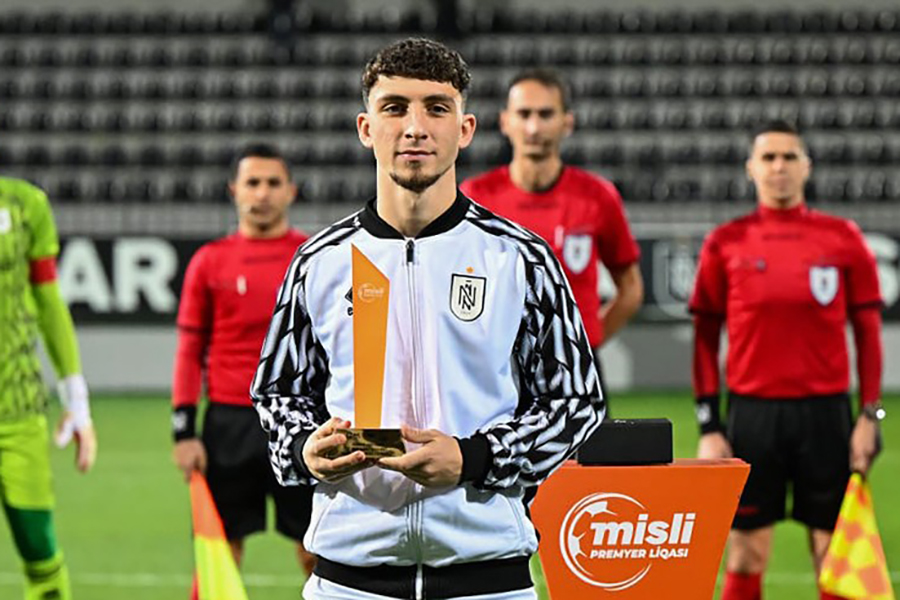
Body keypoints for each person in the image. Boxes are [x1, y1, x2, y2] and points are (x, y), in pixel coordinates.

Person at [251, 38, 604, 600]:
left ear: (464, 130)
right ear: (366, 128)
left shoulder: (520, 258)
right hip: (349, 579)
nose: (415, 128)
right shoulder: (319, 261)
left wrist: (475, 458)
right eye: (395, 108)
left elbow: (576, 402)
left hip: (488, 578)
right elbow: (278, 395)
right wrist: (302, 450)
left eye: (436, 108)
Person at [690, 120, 884, 600]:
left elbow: (868, 332)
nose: (779, 167)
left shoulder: (841, 237)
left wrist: (869, 414)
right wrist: (709, 424)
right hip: (753, 416)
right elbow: (705, 336)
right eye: (769, 157)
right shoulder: (726, 241)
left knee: (834, 554)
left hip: (827, 416)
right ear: (751, 168)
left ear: (806, 167)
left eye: (789, 157)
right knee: (745, 554)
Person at [170, 144, 314, 594]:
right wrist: (183, 430)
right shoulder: (210, 261)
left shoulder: (312, 256)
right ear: (234, 190)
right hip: (229, 424)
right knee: (220, 550)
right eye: (253, 183)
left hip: (299, 418)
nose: (263, 193)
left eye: (273, 183)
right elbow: (190, 349)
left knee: (318, 548)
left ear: (291, 191)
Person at [461, 68, 643, 396]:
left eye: (545, 114)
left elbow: (630, 288)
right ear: (505, 121)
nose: (534, 127)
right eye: (524, 114)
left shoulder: (597, 196)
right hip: (497, 370)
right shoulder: (475, 197)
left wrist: (585, 340)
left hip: (576, 370)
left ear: (566, 122)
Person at [0, 176, 97, 599]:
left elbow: (49, 301)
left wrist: (77, 400)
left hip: (17, 410)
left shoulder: (25, 204)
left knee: (40, 554)